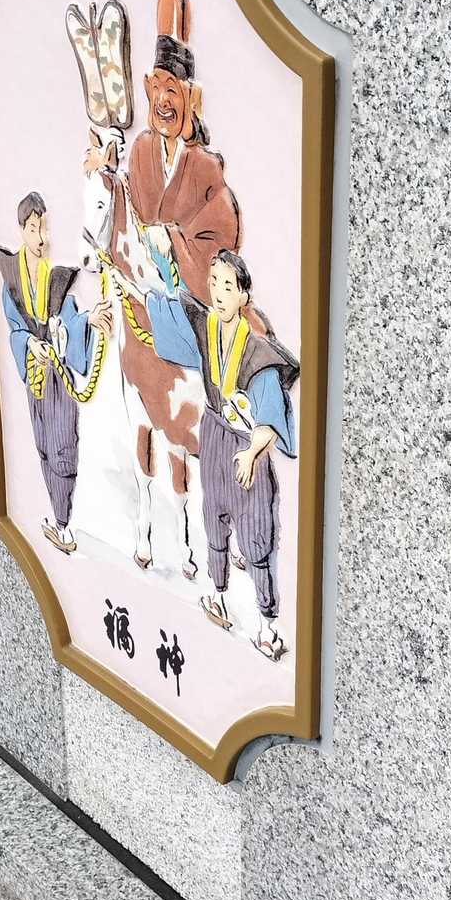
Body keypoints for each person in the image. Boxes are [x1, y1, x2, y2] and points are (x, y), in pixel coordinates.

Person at [145, 250, 298, 661]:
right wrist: (163, 271)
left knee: (256, 531)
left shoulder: (258, 354)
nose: (217, 292)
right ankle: (218, 595)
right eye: (214, 282)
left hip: (246, 448)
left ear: (244, 296)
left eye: (228, 286)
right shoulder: (207, 330)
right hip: (213, 434)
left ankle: (267, 625)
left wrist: (252, 453)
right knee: (213, 517)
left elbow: (269, 415)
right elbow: (179, 312)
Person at [0, 192, 113, 554]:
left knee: (63, 447)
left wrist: (89, 320)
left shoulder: (56, 279)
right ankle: (58, 518)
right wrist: (31, 344)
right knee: (44, 447)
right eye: (34, 229)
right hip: (35, 377)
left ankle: (63, 522)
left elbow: (69, 319)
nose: (42, 238)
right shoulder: (11, 282)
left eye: (44, 228)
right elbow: (15, 330)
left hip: (59, 379)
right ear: (22, 230)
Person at [127, 0, 241, 298]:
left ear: (190, 98)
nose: (163, 101)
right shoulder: (140, 151)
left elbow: (220, 241)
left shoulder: (205, 167)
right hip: (140, 291)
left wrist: (172, 241)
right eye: (157, 88)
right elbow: (126, 212)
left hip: (186, 302)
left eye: (172, 90)